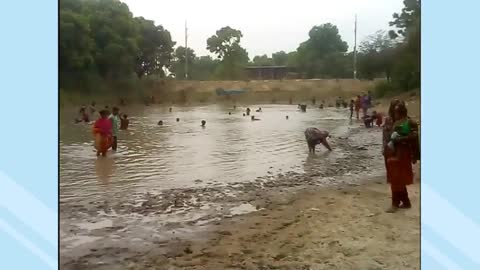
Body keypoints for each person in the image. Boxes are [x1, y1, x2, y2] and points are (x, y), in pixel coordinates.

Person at [383, 101, 420, 213]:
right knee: (397, 178)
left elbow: (415, 139)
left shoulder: (408, 123)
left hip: (401, 154)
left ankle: (395, 203)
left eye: (396, 112)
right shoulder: (393, 122)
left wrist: (415, 155)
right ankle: (405, 201)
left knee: (396, 179)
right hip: (394, 152)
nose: (395, 114)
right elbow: (386, 138)